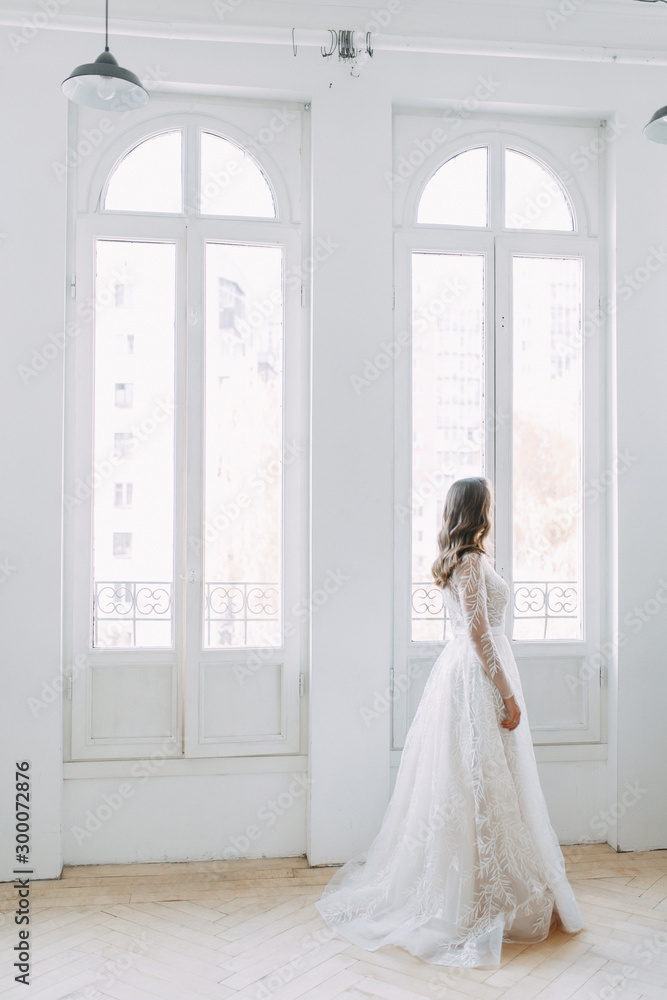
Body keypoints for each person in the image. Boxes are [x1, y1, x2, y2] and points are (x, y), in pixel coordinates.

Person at [314, 476, 584, 968]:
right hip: (477, 677)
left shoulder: (461, 560)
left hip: (463, 674)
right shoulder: (472, 561)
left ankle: (482, 883)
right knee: (475, 782)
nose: (494, 510)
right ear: (478, 509)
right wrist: (507, 693)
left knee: (475, 782)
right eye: (490, 504)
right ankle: (474, 895)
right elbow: (480, 633)